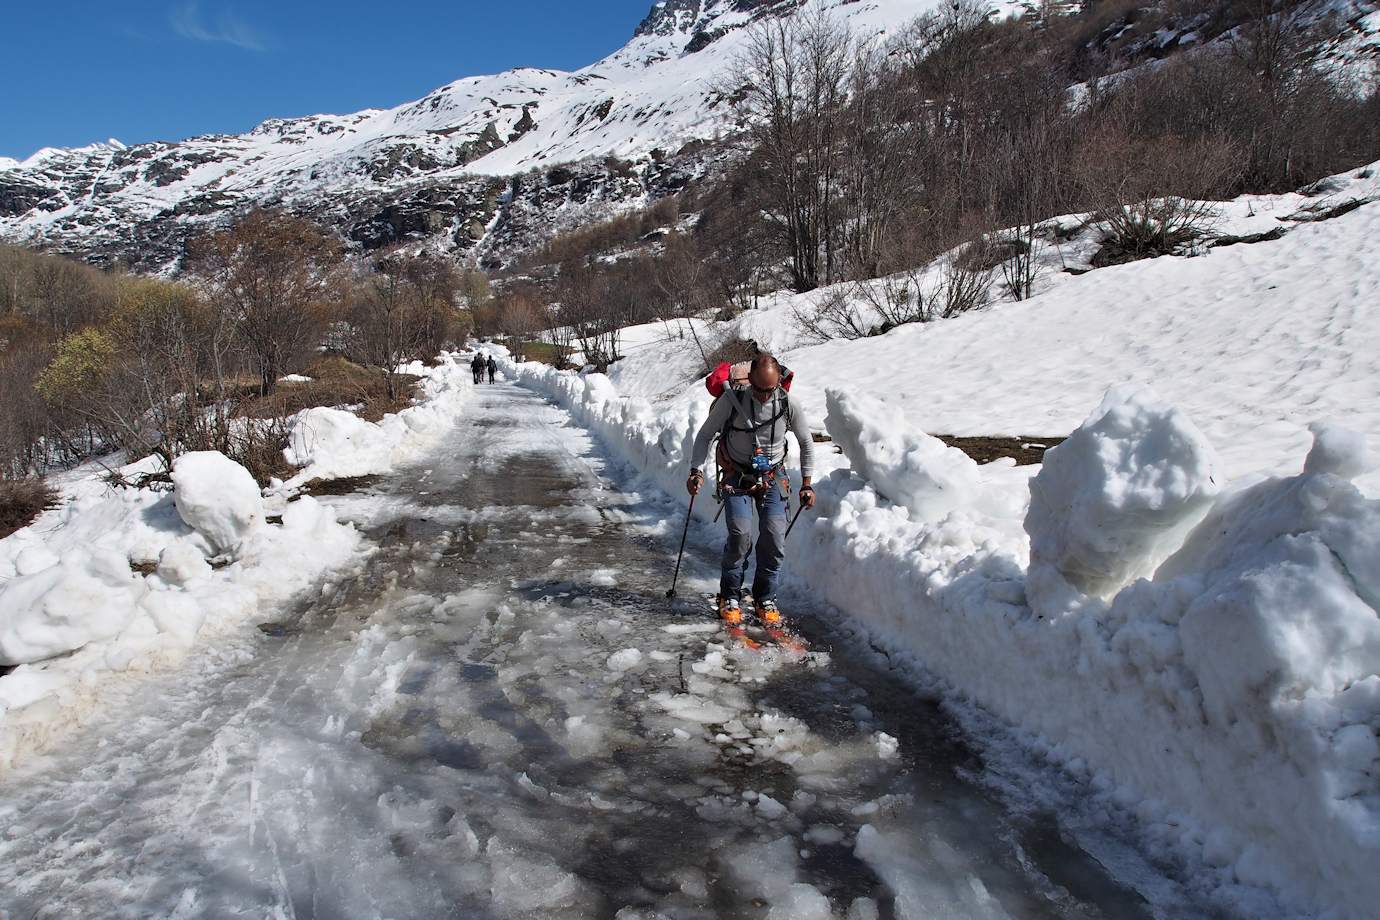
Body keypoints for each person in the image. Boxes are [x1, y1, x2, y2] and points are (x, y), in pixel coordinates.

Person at [686, 353, 815, 626]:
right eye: (758, 389)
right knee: (740, 536)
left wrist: (807, 483)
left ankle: (764, 597)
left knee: (774, 538)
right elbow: (705, 434)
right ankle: (729, 596)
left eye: (769, 390)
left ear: (778, 381)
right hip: (737, 476)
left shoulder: (787, 403)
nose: (764, 396)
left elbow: (806, 441)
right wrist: (695, 471)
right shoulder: (732, 401)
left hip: (773, 477)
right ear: (750, 382)